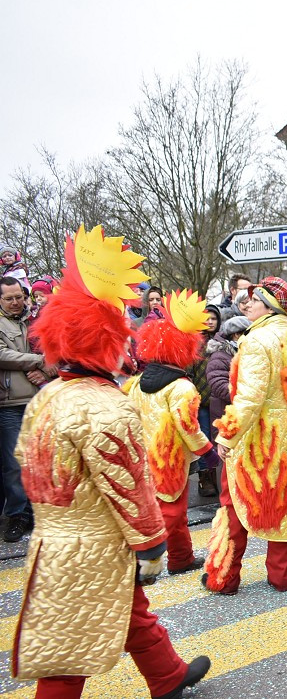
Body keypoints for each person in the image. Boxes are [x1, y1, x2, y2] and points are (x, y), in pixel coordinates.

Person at [14, 224, 210, 699]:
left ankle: (166, 675)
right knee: (68, 653)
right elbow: (127, 481)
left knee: (128, 610)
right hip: (94, 543)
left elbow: (26, 461)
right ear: (105, 340)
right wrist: (150, 544)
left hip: (54, 537)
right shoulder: (104, 403)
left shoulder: (51, 394)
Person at [204, 277, 287, 595]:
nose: (248, 305)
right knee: (283, 503)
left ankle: (224, 576)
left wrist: (227, 436)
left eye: (254, 300)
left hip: (259, 439)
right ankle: (283, 576)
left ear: (268, 306)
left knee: (234, 504)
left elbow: (249, 398)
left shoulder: (257, 340)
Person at [126, 291, 216, 575]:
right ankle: (145, 558)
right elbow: (188, 427)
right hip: (171, 457)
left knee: (166, 510)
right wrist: (207, 452)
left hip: (143, 454)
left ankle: (181, 558)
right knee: (172, 512)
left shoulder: (138, 382)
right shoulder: (182, 387)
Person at [0, 276, 52, 542]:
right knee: (13, 464)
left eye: (18, 296)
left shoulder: (36, 319)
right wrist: (37, 362)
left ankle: (38, 511)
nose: (15, 302)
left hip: (40, 399)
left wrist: (44, 370)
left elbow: (55, 352)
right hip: (10, 404)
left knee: (41, 460)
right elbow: (2, 355)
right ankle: (17, 514)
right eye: (9, 298)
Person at [189, 304, 221, 497]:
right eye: (206, 318)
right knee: (203, 438)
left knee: (218, 437)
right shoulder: (195, 342)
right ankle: (205, 477)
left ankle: (218, 475)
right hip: (200, 400)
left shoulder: (222, 342)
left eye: (213, 319)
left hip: (218, 399)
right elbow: (189, 370)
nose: (210, 322)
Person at [206, 315, 251, 443]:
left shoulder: (242, 352)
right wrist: (246, 394)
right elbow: (219, 384)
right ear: (236, 335)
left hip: (239, 413)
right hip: (225, 414)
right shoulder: (220, 356)